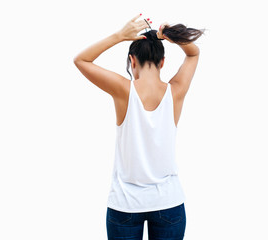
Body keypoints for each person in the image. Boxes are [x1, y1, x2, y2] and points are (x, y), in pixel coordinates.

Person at [73, 14, 204, 240]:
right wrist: (171, 35)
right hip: (169, 203)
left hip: (125, 205)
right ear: (163, 62)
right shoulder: (176, 91)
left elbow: (81, 60)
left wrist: (119, 36)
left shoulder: (123, 89)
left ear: (132, 61)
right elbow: (194, 53)